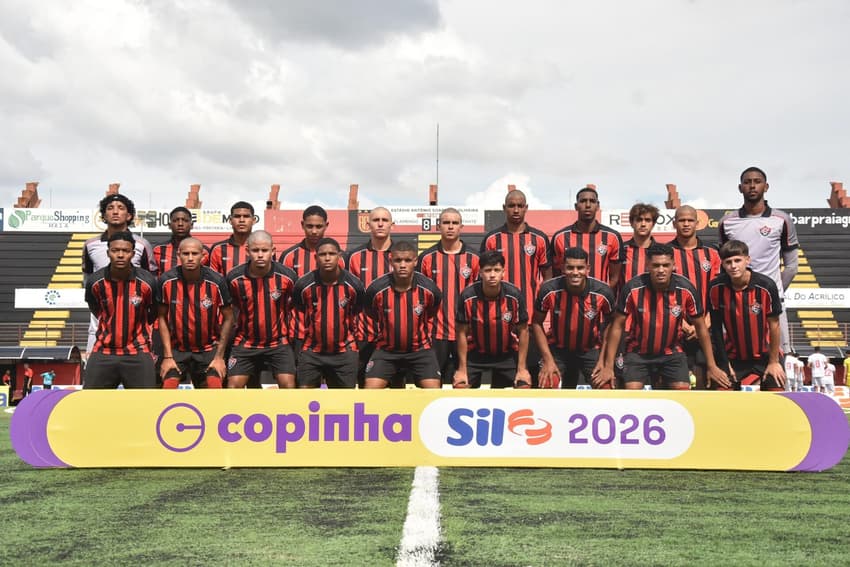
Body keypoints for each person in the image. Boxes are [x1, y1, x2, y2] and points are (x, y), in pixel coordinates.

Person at [598, 243, 728, 390]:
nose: (661, 270)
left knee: (682, 391)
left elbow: (701, 327)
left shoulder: (686, 288)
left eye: (665, 265)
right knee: (632, 391)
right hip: (637, 352)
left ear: (673, 265)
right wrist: (608, 367)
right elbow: (617, 326)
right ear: (647, 265)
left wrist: (712, 365)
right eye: (656, 265)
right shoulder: (632, 288)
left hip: (672, 352)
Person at [719, 167, 799, 352]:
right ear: (740, 188)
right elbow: (724, 262)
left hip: (771, 302)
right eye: (747, 182)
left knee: (777, 359)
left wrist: (772, 291)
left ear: (766, 186)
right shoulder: (727, 222)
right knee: (734, 355)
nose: (752, 186)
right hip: (735, 300)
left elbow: (792, 266)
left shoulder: (781, 219)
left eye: (757, 181)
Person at [480, 190, 551, 385]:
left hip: (527, 318)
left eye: (520, 205)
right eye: (511, 205)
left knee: (530, 374)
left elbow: (548, 278)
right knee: (501, 376)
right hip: (498, 317)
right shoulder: (492, 239)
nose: (516, 210)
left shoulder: (539, 239)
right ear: (504, 208)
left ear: (526, 208)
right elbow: (484, 276)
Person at [83, 194, 156, 354]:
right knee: (95, 375)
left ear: (129, 215)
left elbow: (151, 282)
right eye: (110, 208)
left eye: (120, 208)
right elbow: (88, 281)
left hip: (135, 321)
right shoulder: (90, 245)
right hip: (101, 323)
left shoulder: (142, 245)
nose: (115, 211)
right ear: (103, 215)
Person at [707, 240, 785, 391]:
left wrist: (774, 361)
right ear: (722, 264)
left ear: (747, 260)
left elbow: (774, 325)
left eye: (738, 260)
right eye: (728, 262)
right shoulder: (716, 288)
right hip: (733, 356)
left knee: (777, 396)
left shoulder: (766, 286)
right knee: (720, 396)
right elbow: (716, 328)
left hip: (766, 355)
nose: (733, 266)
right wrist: (723, 363)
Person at [533, 247, 616, 389]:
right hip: (558, 349)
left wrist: (604, 361)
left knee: (606, 386)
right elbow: (536, 323)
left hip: (590, 350)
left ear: (587, 268)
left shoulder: (603, 292)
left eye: (580, 268)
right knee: (546, 383)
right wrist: (548, 360)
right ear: (563, 268)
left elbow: (611, 325)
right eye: (570, 268)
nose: (575, 272)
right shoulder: (549, 289)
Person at [156, 237, 234, 389]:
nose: (190, 258)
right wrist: (167, 356)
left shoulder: (217, 281)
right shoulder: (166, 281)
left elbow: (229, 318)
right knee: (168, 386)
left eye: (194, 253)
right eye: (186, 253)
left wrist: (219, 356)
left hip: (208, 349)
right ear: (178, 255)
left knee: (214, 385)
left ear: (203, 255)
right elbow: (162, 318)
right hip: (177, 350)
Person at [84, 231, 158, 389]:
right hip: (103, 351)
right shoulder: (95, 282)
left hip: (138, 350)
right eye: (115, 250)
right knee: (91, 403)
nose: (120, 255)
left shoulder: (148, 282)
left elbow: (153, 313)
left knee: (146, 405)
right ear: (108, 252)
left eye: (125, 251)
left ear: (132, 253)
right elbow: (95, 308)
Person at [363, 240, 442, 389]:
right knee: (369, 392)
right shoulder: (376, 289)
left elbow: (432, 311)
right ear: (391, 260)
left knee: (433, 393)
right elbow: (372, 313)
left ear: (415, 261)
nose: (403, 265)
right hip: (386, 350)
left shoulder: (429, 289)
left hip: (420, 350)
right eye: (398, 260)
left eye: (407, 260)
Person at [226, 231, 298, 389]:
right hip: (246, 343)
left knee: (289, 387)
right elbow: (230, 309)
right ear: (247, 251)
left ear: (273, 251)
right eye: (255, 250)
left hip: (278, 342)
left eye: (264, 251)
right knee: (232, 388)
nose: (260, 255)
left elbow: (296, 307)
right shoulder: (234, 278)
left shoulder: (288, 277)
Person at [291, 238, 365, 388]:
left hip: (344, 352)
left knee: (343, 402)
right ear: (315, 257)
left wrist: (357, 350)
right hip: (312, 352)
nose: (327, 258)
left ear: (339, 255)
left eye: (331, 253)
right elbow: (297, 320)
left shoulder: (354, 285)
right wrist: (299, 352)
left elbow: (359, 318)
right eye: (322, 254)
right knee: (303, 399)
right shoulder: (303, 285)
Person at [418, 208, 480, 385]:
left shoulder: (474, 258)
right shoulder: (427, 258)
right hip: (435, 334)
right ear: (438, 226)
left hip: (466, 335)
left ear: (461, 226)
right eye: (446, 223)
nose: (450, 227)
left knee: (464, 385)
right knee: (433, 386)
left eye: (454, 223)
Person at [454, 250, 530, 389]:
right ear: (480, 273)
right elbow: (461, 333)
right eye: (488, 270)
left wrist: (522, 369)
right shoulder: (467, 296)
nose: (492, 275)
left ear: (503, 272)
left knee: (523, 386)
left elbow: (524, 331)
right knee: (460, 386)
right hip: (475, 353)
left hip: (507, 354)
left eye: (497, 270)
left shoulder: (514, 295)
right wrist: (462, 369)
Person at [669, 205, 721, 390]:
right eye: (681, 220)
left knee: (704, 380)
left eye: (690, 220)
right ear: (674, 223)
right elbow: (659, 294)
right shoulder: (665, 252)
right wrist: (682, 324)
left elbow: (717, 292)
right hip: (674, 327)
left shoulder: (711, 253)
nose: (686, 224)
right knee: (675, 382)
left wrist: (705, 323)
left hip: (705, 327)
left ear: (697, 223)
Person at [278, 206, 340, 360]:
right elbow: (283, 297)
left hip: (332, 334)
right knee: (303, 381)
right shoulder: (289, 257)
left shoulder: (338, 257)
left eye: (319, 226)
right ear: (302, 225)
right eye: (309, 226)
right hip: (299, 332)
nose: (314, 231)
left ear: (326, 225)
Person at [346, 206, 394, 387]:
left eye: (385, 220)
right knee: (364, 387)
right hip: (363, 334)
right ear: (368, 225)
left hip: (394, 336)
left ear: (392, 225)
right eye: (376, 220)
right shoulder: (355, 257)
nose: (380, 224)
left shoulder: (402, 256)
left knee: (396, 390)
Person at [551, 186, 623, 289]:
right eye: (583, 201)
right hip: (568, 301)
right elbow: (556, 274)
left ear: (597, 206)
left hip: (599, 301)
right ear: (576, 206)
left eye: (592, 201)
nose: (588, 205)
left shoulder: (612, 237)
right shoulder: (560, 237)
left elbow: (615, 277)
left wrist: (601, 295)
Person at [152, 207, 209, 274]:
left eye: (185, 220)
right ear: (169, 225)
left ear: (191, 225)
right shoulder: (158, 250)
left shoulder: (204, 251)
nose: (180, 224)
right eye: (176, 220)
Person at [209, 201, 256, 276]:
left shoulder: (263, 248)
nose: (241, 220)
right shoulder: (218, 249)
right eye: (237, 216)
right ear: (230, 220)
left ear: (254, 220)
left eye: (246, 216)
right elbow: (214, 281)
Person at [621, 203, 659, 286]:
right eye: (639, 220)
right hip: (625, 298)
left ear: (653, 224)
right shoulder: (621, 249)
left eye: (647, 220)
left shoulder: (660, 251)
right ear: (631, 223)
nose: (643, 224)